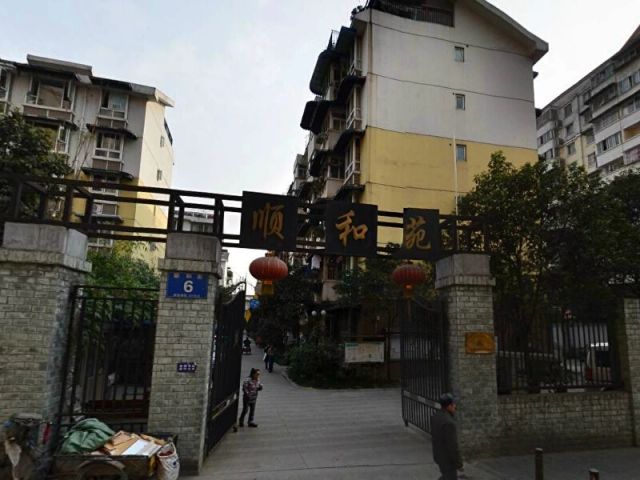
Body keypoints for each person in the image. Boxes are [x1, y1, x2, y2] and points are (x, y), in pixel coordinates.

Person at [431, 393, 463, 480]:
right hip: (448, 460)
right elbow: (452, 446)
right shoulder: (449, 423)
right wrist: (459, 463)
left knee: (446, 477)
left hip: (439, 456)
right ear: (449, 406)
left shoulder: (436, 416)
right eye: (453, 404)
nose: (455, 406)